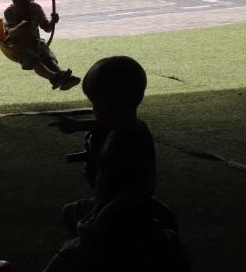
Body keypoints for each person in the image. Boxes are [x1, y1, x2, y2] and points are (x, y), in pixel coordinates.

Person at [46, 56, 188, 272]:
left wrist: (101, 222)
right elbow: (108, 122)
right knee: (70, 213)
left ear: (105, 106)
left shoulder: (125, 139)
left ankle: (92, 256)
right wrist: (78, 126)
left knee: (64, 263)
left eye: (95, 104)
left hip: (120, 214)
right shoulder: (130, 126)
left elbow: (137, 192)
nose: (94, 110)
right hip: (109, 204)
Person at [4, 0, 79, 90]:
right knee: (34, 59)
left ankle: (61, 74)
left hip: (35, 42)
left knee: (46, 55)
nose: (18, 0)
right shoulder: (10, 11)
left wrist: (53, 22)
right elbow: (10, 34)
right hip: (18, 45)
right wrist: (20, 27)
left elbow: (47, 28)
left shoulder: (36, 9)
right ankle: (54, 77)